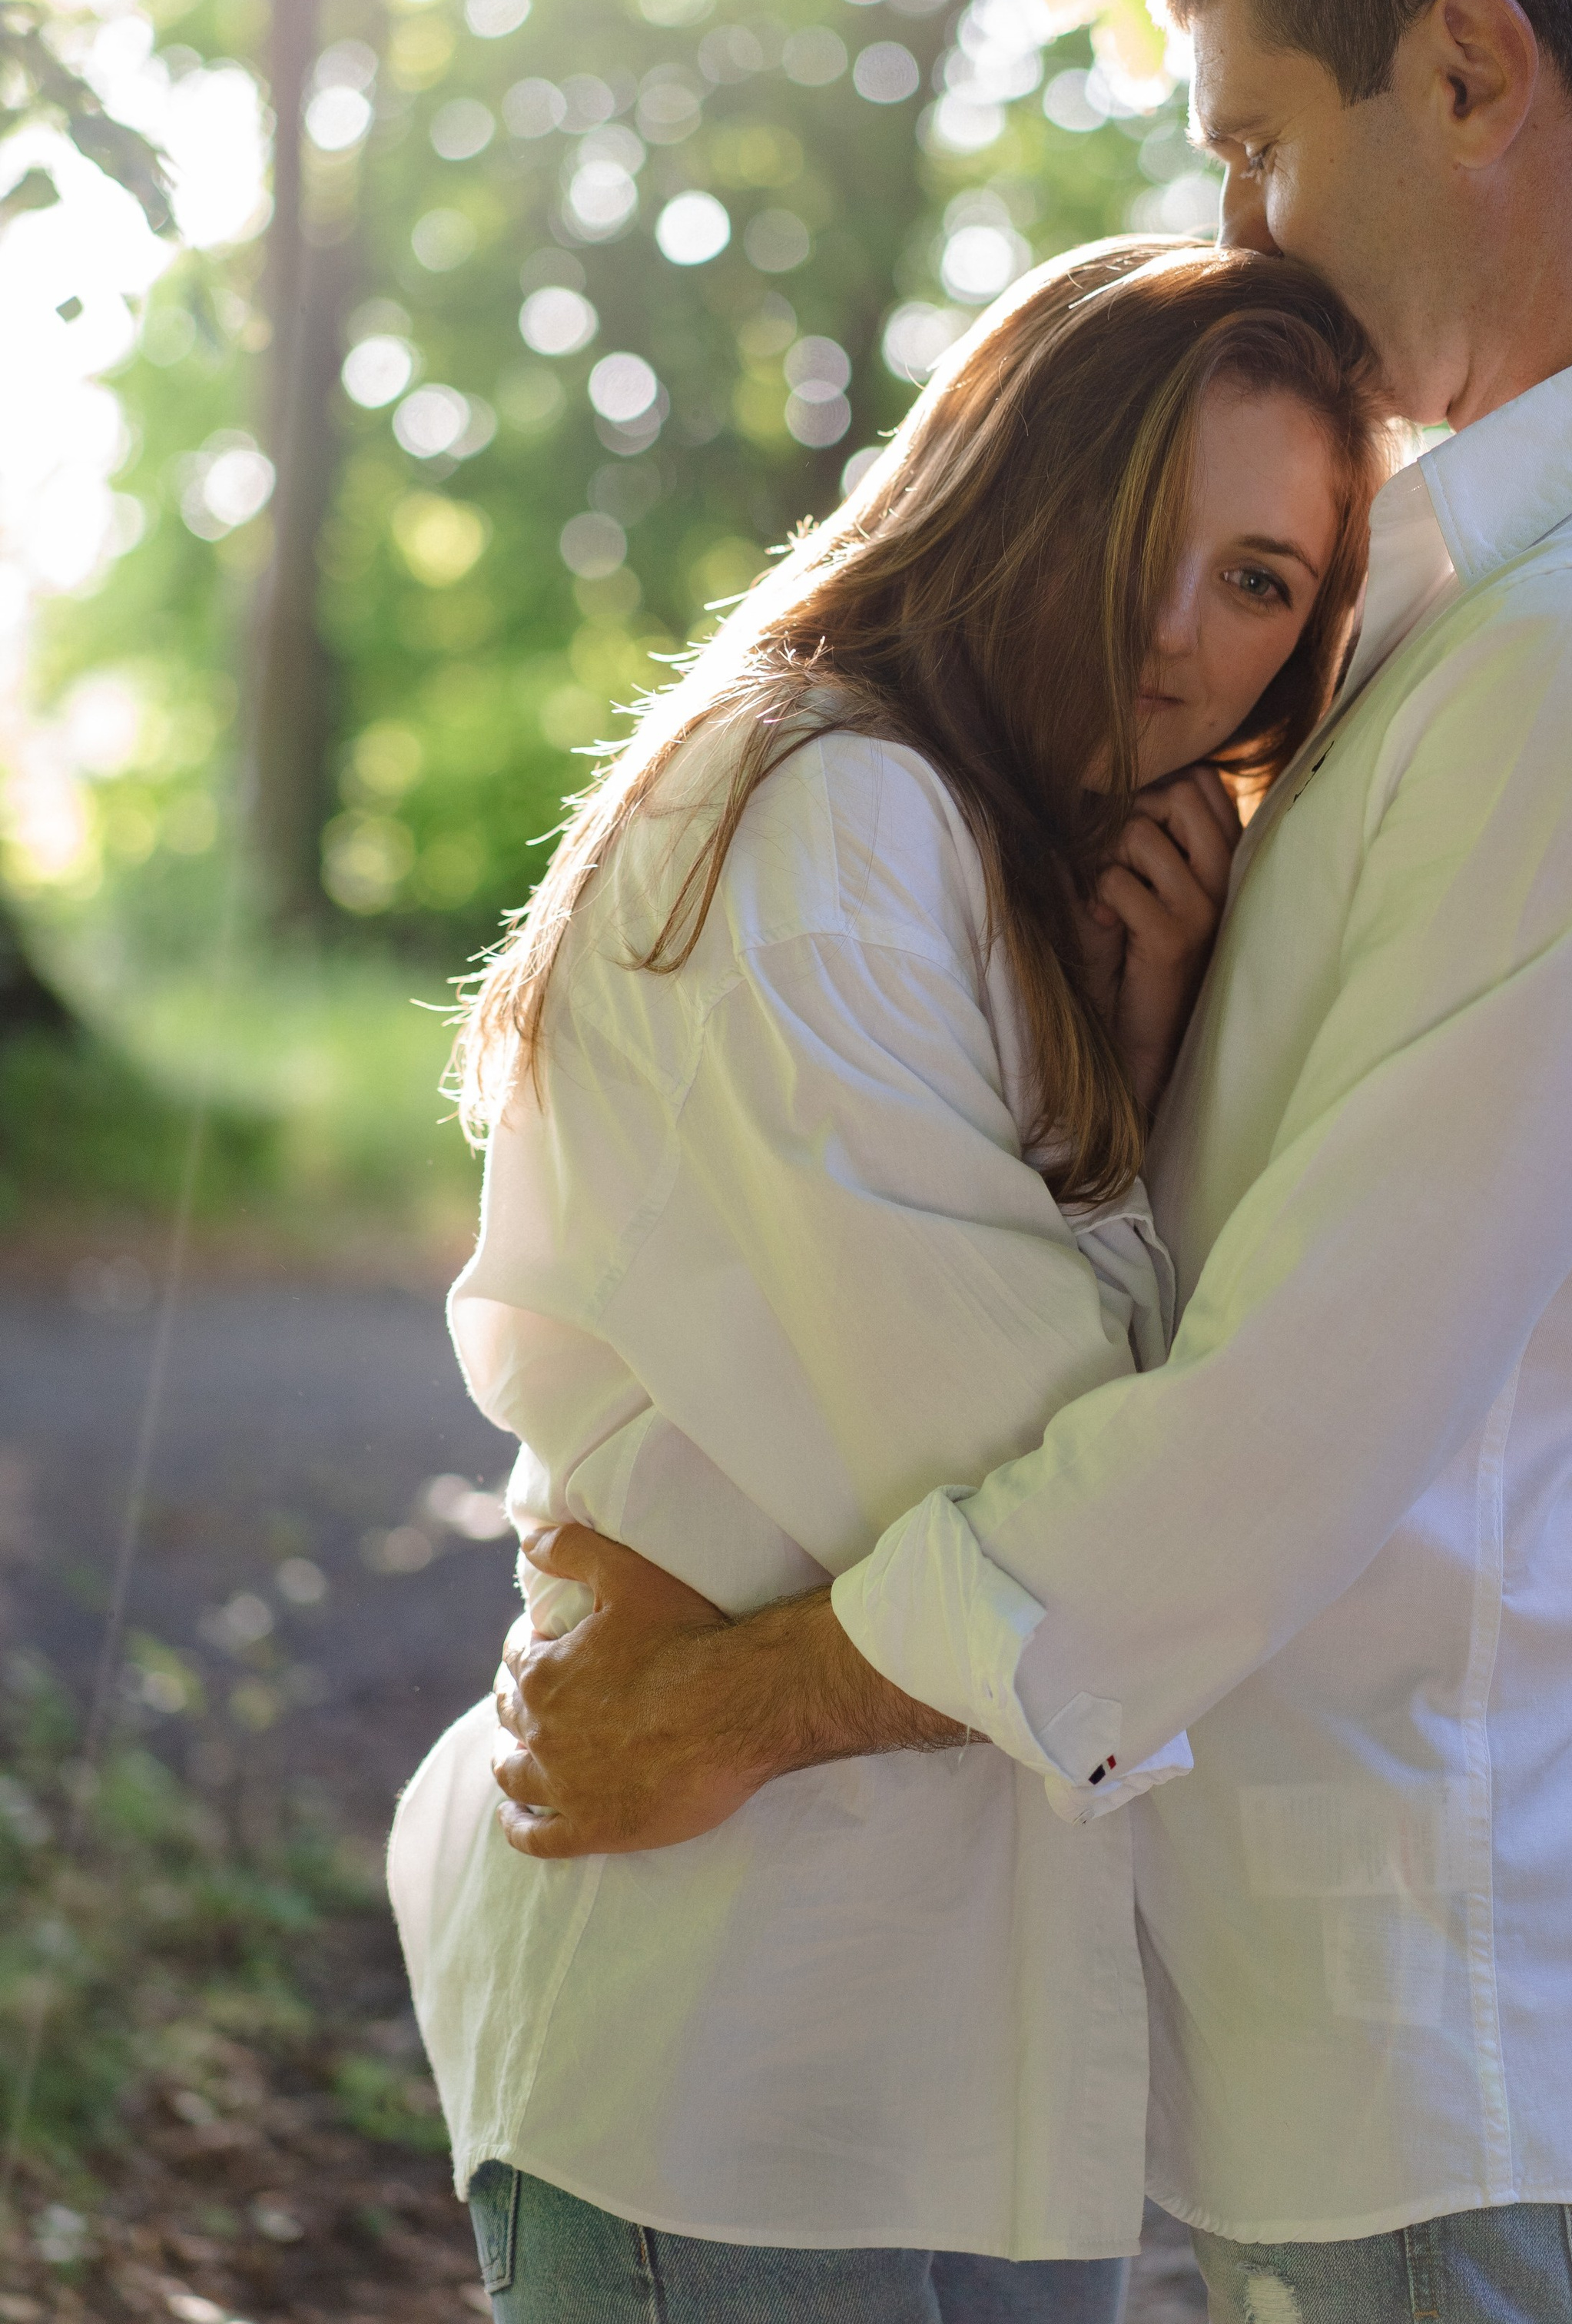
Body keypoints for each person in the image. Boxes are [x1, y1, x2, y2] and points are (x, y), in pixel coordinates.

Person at [493, 0, 1572, 2324]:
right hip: (1340, 2009)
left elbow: (1283, 1437)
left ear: (1469, 67)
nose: (1236, 217)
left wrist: (723, 1704)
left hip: (1449, 2016)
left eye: (1259, 134)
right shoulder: (1513, 597)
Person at [388, 238, 1392, 2322]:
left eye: (1264, 582)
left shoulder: (995, 849)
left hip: (957, 2067)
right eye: (1147, 529)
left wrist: (1137, 1062)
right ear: (1004, 482)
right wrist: (1129, 1140)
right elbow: (1056, 1484)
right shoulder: (821, 819)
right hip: (728, 2047)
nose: (1179, 634)